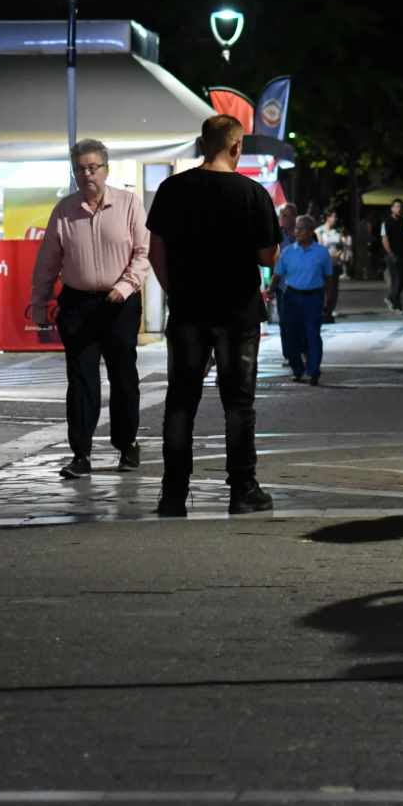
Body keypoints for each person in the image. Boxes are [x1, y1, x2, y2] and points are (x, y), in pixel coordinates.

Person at [145, 115, 283, 517]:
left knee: (180, 401)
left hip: (188, 312)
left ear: (202, 143)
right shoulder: (252, 193)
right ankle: (243, 490)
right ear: (236, 146)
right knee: (238, 404)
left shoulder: (172, 189)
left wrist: (177, 291)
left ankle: (173, 495)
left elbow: (156, 252)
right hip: (238, 311)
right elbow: (268, 256)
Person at [31, 138, 150, 479]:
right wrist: (39, 301)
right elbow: (48, 261)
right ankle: (80, 454)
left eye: (93, 168)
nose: (87, 175)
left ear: (106, 170)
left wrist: (125, 286)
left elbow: (143, 252)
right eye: (80, 169)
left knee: (123, 376)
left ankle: (127, 445)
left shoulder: (129, 204)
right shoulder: (64, 210)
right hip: (77, 303)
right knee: (81, 379)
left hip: (119, 303)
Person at [274, 214, 334, 385]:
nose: (296, 232)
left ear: (310, 231)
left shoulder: (321, 253)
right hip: (292, 297)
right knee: (291, 335)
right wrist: (270, 290)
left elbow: (328, 278)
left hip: (313, 297)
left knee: (312, 334)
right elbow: (278, 274)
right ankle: (297, 369)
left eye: (300, 229)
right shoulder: (288, 252)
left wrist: (329, 299)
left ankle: (314, 370)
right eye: (296, 229)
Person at [381, 198, 403, 313]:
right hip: (393, 255)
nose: (399, 209)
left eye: (400, 207)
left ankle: (391, 298)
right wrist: (390, 253)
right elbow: (384, 239)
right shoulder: (386, 222)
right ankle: (396, 305)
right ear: (392, 208)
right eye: (396, 207)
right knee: (397, 280)